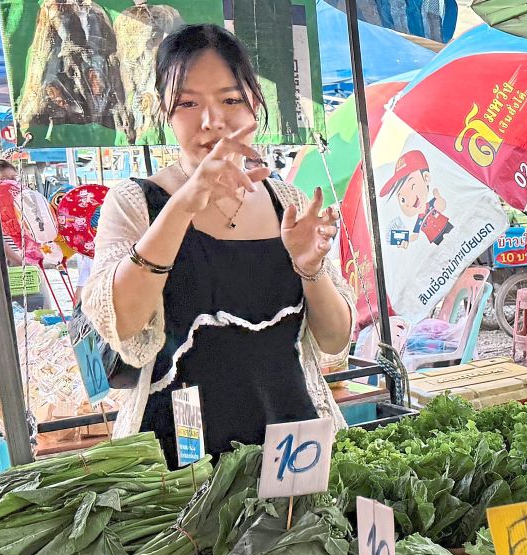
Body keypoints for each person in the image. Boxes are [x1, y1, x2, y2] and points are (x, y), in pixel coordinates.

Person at [82, 24, 355, 468]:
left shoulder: (287, 201)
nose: (211, 121)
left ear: (254, 106)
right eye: (188, 103)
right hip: (179, 463)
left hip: (293, 449)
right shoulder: (136, 204)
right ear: (164, 114)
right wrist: (185, 203)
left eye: (230, 100)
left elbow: (335, 337)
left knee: (299, 538)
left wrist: (310, 269)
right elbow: (123, 322)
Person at [0, 159, 34, 267]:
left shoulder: (19, 199)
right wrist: (20, 262)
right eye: (3, 179)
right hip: (8, 267)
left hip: (29, 259)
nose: (9, 183)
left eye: (13, 178)